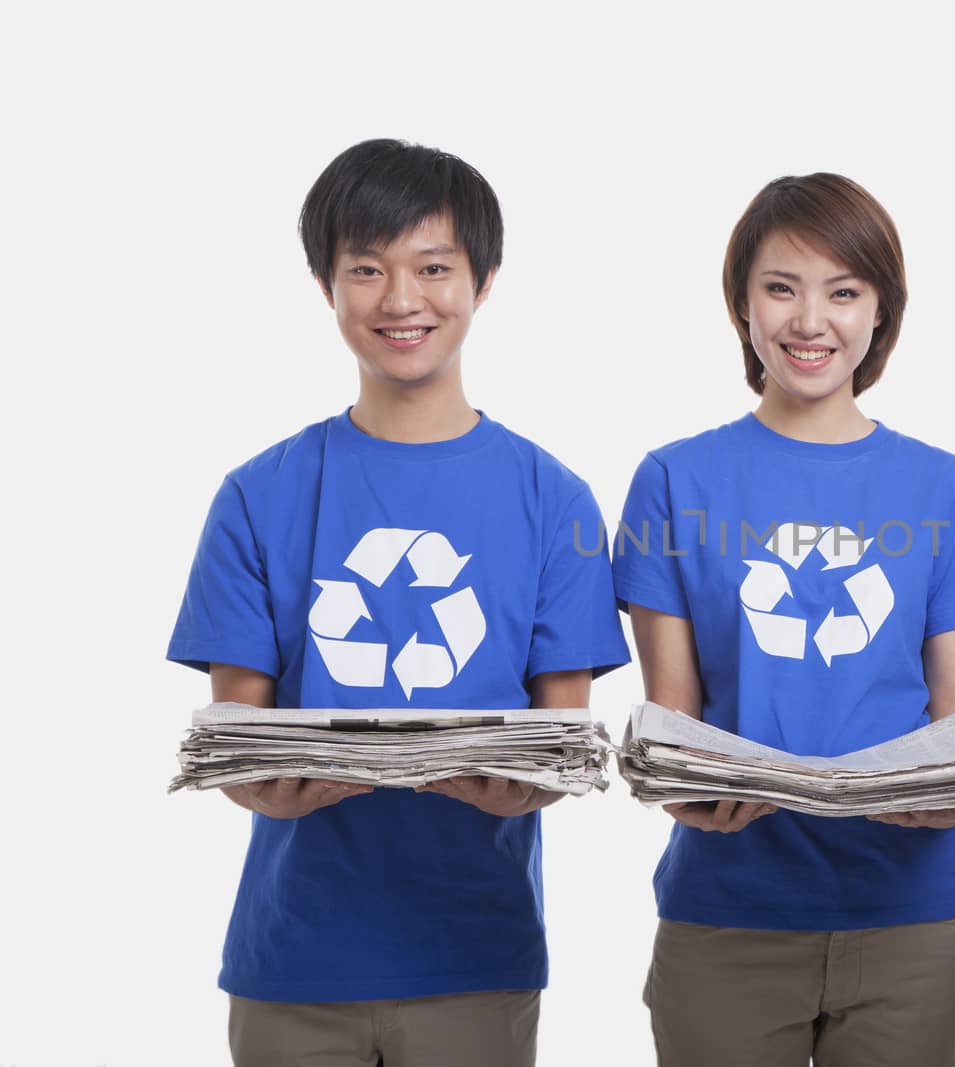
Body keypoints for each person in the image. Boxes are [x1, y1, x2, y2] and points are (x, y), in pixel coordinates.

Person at [166, 138, 629, 1067]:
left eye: (433, 268)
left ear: (484, 279)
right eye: (366, 269)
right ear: (326, 283)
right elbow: (240, 734)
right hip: (294, 961)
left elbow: (563, 737)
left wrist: (527, 781)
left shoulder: (555, 499)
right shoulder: (258, 495)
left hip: (477, 955)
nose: (401, 299)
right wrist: (261, 783)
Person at [613, 173, 955, 1067]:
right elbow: (672, 713)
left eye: (844, 291)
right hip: (726, 913)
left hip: (912, 923)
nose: (809, 320)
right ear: (741, 305)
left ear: (880, 313)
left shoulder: (950, 492)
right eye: (781, 288)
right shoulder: (675, 482)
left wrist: (949, 795)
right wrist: (682, 787)